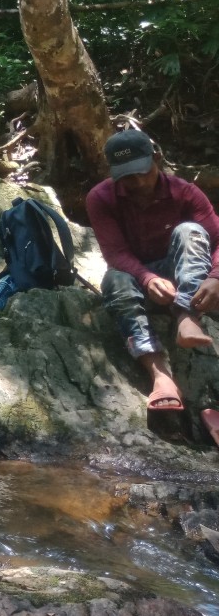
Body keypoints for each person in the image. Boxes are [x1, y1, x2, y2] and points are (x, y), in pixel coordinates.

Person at [86, 129, 219, 412]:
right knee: (114, 279)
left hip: (184, 280)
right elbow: (115, 253)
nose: (136, 182)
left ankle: (187, 316)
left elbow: (216, 240)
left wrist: (215, 277)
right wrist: (147, 279)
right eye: (126, 176)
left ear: (156, 158)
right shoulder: (100, 198)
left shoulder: (185, 192)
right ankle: (159, 375)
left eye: (141, 172)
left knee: (190, 231)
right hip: (135, 278)